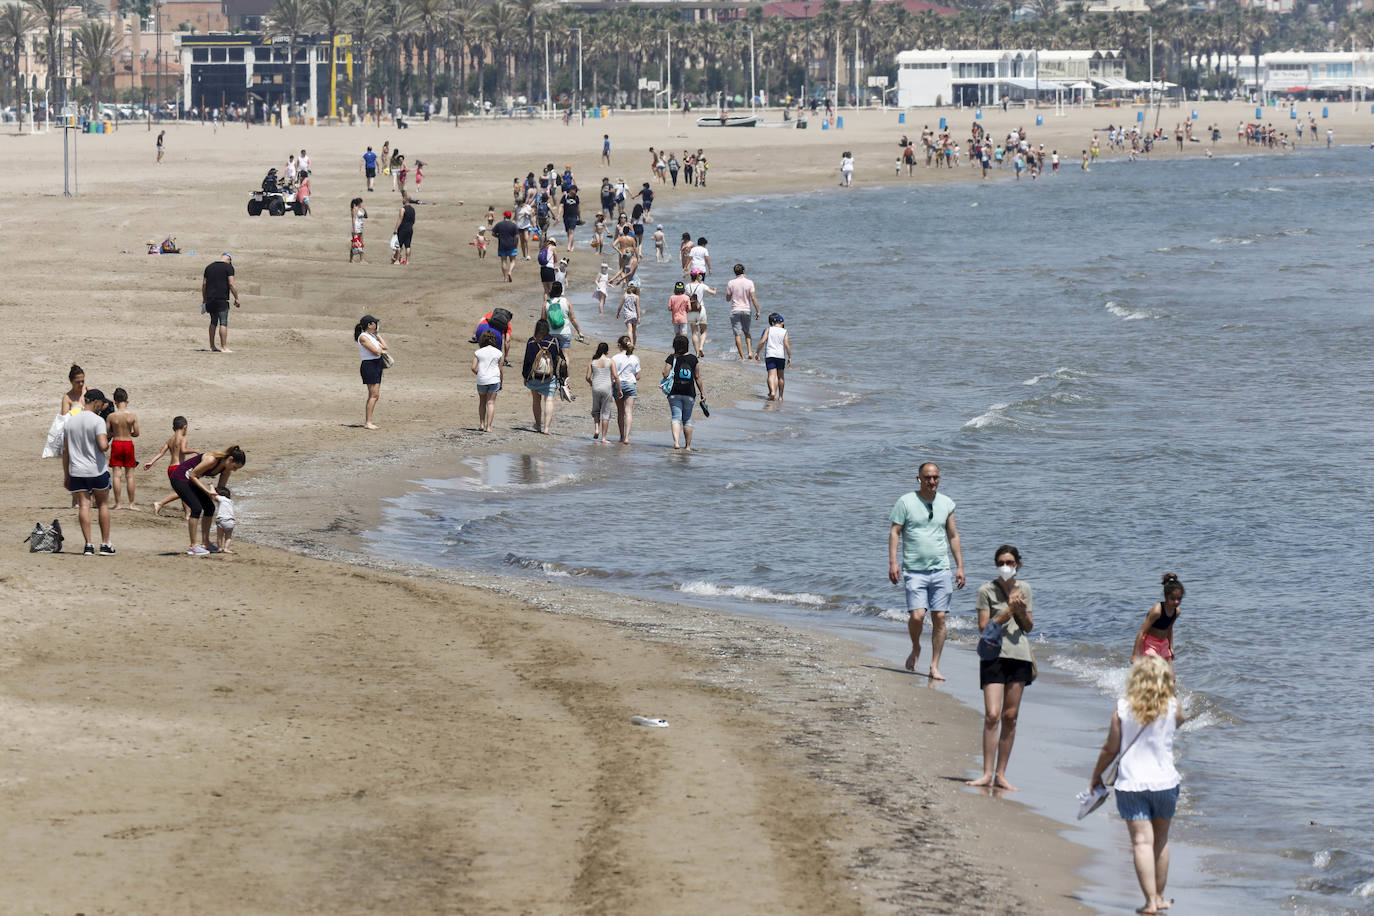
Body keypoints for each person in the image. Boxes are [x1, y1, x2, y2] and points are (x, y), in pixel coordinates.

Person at [1088, 655, 1186, 915]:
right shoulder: (1172, 705)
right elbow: (1181, 720)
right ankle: (1162, 896)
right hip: (1165, 782)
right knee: (1161, 841)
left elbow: (1110, 748)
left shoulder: (1123, 707)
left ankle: (1150, 902)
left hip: (1131, 783)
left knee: (1142, 842)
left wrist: (1096, 775)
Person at [887, 461, 966, 680]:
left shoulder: (947, 503)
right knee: (918, 616)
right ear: (919, 478)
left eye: (935, 477)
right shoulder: (905, 502)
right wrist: (893, 563)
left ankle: (934, 666)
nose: (932, 481)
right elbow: (895, 532)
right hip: (914, 570)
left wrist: (960, 566)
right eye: (927, 477)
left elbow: (953, 535)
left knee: (940, 617)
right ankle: (915, 647)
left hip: (941, 569)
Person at [967, 545, 1035, 790]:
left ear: (1018, 563)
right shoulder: (986, 590)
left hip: (1019, 656)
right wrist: (1008, 610)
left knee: (1010, 717)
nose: (1005, 566)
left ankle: (1001, 773)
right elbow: (983, 627)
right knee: (992, 714)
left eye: (1009, 562)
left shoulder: (1025, 588)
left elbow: (1028, 627)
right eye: (1001, 562)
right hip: (993, 655)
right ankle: (986, 773)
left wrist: (1019, 611)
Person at [62, 388, 114, 556]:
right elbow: (102, 446)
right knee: (103, 505)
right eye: (101, 404)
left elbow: (65, 450)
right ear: (96, 402)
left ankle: (88, 545)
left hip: (77, 471)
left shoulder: (71, 421)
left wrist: (66, 474)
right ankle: (105, 544)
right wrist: (108, 438)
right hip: (96, 470)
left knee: (84, 506)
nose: (102, 407)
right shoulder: (97, 420)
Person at [170, 446, 246, 556]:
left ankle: (205, 543)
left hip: (191, 480)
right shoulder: (212, 459)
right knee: (196, 508)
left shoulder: (226, 470)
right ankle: (193, 546)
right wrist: (207, 491)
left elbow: (221, 491)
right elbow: (192, 475)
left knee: (210, 507)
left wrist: (228, 511)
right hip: (179, 478)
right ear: (230, 459)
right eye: (235, 467)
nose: (234, 470)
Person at [522, 318, 566, 434]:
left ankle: (538, 425)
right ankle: (546, 428)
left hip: (534, 376)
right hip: (550, 377)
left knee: (536, 400)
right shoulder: (554, 341)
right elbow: (561, 358)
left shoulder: (531, 341)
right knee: (549, 400)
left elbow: (527, 360)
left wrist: (525, 376)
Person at [662, 334, 704, 451]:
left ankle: (676, 443)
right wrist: (702, 393)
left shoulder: (671, 358)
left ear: (674, 346)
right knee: (687, 420)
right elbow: (697, 377)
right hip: (689, 392)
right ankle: (688, 446)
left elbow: (665, 374)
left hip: (675, 392)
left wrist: (665, 371)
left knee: (676, 418)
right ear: (687, 345)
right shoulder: (693, 359)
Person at [1132, 574, 1185, 665]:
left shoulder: (1177, 612)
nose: (1176, 602)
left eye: (1179, 599)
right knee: (1153, 672)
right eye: (1172, 599)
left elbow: (1169, 629)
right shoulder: (1157, 611)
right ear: (1166, 597)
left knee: (1171, 678)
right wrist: (1134, 655)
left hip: (1164, 644)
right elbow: (1142, 632)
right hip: (1150, 644)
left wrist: (1170, 647)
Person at [146, 415, 192, 517]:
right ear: (185, 427)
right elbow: (184, 450)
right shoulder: (183, 439)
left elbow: (161, 453)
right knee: (184, 491)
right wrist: (195, 451)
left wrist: (151, 462)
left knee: (182, 491)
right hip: (179, 468)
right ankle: (160, 503)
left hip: (171, 468)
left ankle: (187, 514)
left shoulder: (170, 440)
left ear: (173, 428)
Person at [106, 387, 141, 510]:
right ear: (127, 400)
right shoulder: (132, 416)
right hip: (128, 444)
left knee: (116, 475)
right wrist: (129, 433)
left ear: (115, 401)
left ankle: (118, 504)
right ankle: (131, 504)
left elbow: (107, 433)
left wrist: (115, 433)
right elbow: (136, 433)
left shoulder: (111, 416)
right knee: (130, 476)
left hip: (116, 443)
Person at [201, 252, 241, 353]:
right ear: (229, 260)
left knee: (213, 321)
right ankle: (224, 347)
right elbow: (231, 284)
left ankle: (212, 346)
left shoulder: (209, 267)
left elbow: (204, 284)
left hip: (210, 298)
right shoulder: (228, 267)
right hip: (221, 299)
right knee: (223, 322)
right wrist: (236, 298)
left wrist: (204, 299)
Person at [355, 314, 387, 429]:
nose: (377, 325)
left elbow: (385, 347)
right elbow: (377, 351)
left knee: (375, 395)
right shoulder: (363, 337)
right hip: (370, 366)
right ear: (370, 325)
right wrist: (379, 348)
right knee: (374, 395)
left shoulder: (371, 336)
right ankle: (368, 422)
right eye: (375, 323)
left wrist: (378, 335)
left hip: (376, 365)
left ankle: (369, 421)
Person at [726, 263, 761, 361]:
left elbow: (728, 298)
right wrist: (758, 310)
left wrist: (730, 295)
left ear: (734, 272)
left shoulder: (731, 283)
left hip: (735, 310)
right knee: (747, 332)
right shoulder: (749, 282)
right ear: (743, 271)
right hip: (746, 310)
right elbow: (753, 298)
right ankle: (750, 352)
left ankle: (742, 357)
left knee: (737, 334)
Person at [753, 312, 791, 401]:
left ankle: (772, 392)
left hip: (770, 355)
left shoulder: (769, 329)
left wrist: (757, 352)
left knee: (771, 375)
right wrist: (790, 357)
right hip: (780, 356)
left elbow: (762, 341)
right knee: (780, 377)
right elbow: (787, 345)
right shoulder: (785, 331)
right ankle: (780, 397)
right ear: (781, 323)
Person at [611, 335, 641, 444]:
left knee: (620, 412)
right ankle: (627, 438)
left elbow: (612, 374)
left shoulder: (615, 358)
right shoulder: (634, 358)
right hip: (630, 384)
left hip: (618, 384)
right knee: (629, 412)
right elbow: (637, 376)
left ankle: (622, 436)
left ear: (619, 345)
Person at [471, 330, 503, 432]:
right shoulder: (498, 353)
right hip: (494, 379)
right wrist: (501, 381)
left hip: (482, 379)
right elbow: (500, 369)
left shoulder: (478, 352)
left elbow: (473, 367)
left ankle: (481, 424)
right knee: (491, 403)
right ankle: (488, 427)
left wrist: (479, 374)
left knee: (482, 402)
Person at [586, 341, 615, 442]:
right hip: (607, 387)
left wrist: (591, 383)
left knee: (596, 410)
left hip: (596, 387)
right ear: (607, 351)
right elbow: (615, 376)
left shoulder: (592, 362)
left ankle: (597, 429)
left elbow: (588, 377)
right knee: (606, 413)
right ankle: (603, 438)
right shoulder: (610, 361)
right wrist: (618, 388)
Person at [685, 274, 716, 358]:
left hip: (692, 310)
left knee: (694, 333)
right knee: (704, 331)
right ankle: (701, 347)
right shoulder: (702, 285)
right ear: (698, 277)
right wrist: (715, 290)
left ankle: (697, 352)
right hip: (701, 309)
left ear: (691, 276)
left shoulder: (687, 286)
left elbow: (686, 296)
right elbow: (713, 293)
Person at [492, 210, 520, 282]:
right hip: (512, 245)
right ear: (510, 217)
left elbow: (493, 233)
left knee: (504, 261)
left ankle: (505, 278)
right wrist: (516, 245)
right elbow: (517, 237)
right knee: (513, 261)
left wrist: (498, 236)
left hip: (502, 245)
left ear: (504, 216)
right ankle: (510, 272)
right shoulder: (513, 225)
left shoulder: (499, 224)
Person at [392, 191, 415, 265]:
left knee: (399, 245)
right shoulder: (412, 209)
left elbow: (400, 219)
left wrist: (396, 229)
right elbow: (413, 220)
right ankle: (407, 261)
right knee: (408, 245)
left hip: (403, 229)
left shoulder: (403, 209)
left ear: (406, 200)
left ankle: (397, 261)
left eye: (403, 199)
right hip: (410, 229)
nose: (402, 200)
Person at [616, 280, 641, 347]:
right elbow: (638, 308)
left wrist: (618, 313)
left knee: (629, 330)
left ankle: (631, 344)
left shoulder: (625, 295)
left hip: (627, 315)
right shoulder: (637, 297)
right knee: (634, 330)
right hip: (634, 315)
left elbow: (620, 305)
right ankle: (634, 344)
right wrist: (639, 317)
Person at [213, 485, 236, 553]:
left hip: (221, 519)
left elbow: (213, 495)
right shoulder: (231, 501)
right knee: (228, 537)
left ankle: (219, 548)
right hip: (230, 520)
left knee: (219, 536)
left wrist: (211, 486)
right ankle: (226, 549)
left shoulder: (221, 498)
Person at [349, 198, 368, 262]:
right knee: (355, 244)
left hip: (360, 228)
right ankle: (352, 259)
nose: (362, 204)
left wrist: (365, 210)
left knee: (361, 243)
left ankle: (361, 259)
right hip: (356, 229)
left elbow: (366, 216)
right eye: (361, 203)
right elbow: (353, 219)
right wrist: (354, 230)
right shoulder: (355, 209)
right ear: (359, 203)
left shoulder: (359, 210)